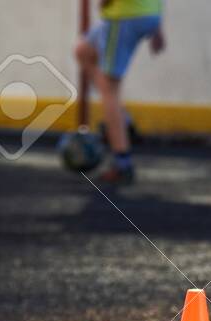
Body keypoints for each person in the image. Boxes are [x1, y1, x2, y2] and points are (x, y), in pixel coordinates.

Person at [75, 0, 164, 185]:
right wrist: (158, 25)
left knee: (110, 89)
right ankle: (122, 121)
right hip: (147, 12)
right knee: (84, 50)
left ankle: (122, 164)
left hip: (124, 14)